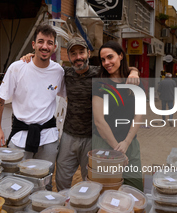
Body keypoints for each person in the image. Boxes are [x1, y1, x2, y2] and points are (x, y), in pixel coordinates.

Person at [21, 37, 140, 191]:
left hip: (92, 137)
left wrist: (134, 71)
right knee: (62, 178)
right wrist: (30, 56)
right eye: (73, 53)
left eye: (81, 52)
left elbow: (119, 66)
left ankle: (86, 208)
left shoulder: (100, 73)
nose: (78, 57)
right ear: (68, 57)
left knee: (90, 180)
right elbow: (44, 66)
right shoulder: (65, 73)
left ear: (88, 53)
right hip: (69, 135)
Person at [0, 24, 64, 191]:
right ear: (33, 45)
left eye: (49, 43)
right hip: (20, 137)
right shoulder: (18, 68)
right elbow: (0, 98)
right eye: (41, 42)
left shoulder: (58, 71)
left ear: (54, 47)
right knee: (15, 181)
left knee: (45, 181)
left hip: (48, 137)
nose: (45, 46)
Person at [92, 40, 144, 191]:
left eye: (110, 57)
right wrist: (117, 149)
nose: (106, 62)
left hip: (130, 144)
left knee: (134, 189)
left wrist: (127, 143)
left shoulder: (135, 82)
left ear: (121, 56)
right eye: (103, 60)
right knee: (105, 190)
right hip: (104, 144)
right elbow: (99, 121)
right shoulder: (100, 84)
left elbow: (139, 115)